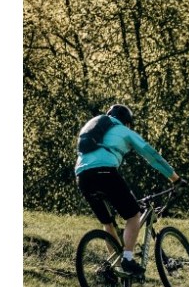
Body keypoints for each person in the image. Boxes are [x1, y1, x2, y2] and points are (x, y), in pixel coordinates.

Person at [75, 104, 182, 276]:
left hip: (82, 176)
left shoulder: (94, 126)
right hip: (105, 173)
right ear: (127, 122)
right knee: (133, 216)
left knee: (108, 223)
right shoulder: (124, 131)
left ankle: (115, 268)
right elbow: (152, 156)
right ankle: (127, 259)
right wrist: (175, 179)